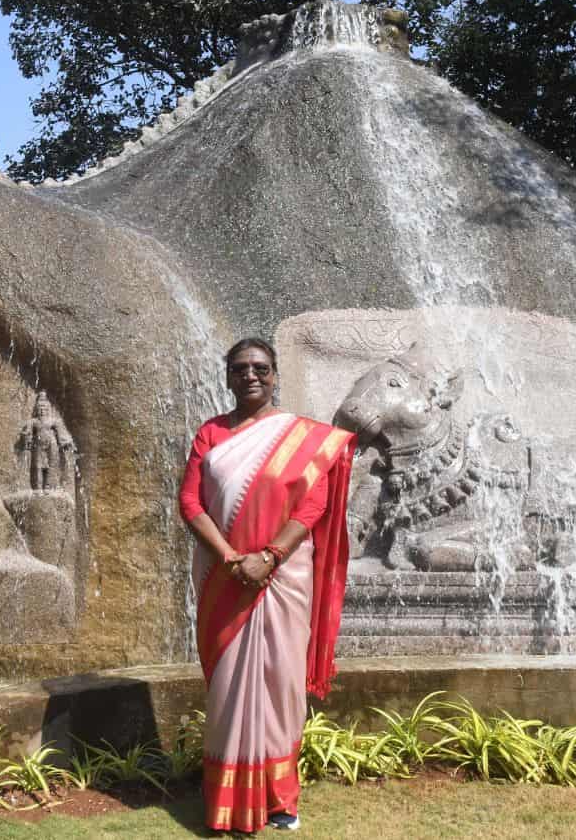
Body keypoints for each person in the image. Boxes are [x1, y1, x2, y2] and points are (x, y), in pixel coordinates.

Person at [179, 338, 355, 833]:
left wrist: (269, 557)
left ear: (275, 375)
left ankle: (280, 800)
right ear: (228, 376)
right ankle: (228, 803)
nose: (250, 375)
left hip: (284, 577)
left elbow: (312, 505)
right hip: (224, 578)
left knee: (280, 684)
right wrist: (235, 559)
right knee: (228, 687)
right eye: (240, 368)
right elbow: (190, 503)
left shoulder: (303, 439)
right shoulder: (210, 434)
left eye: (260, 367)